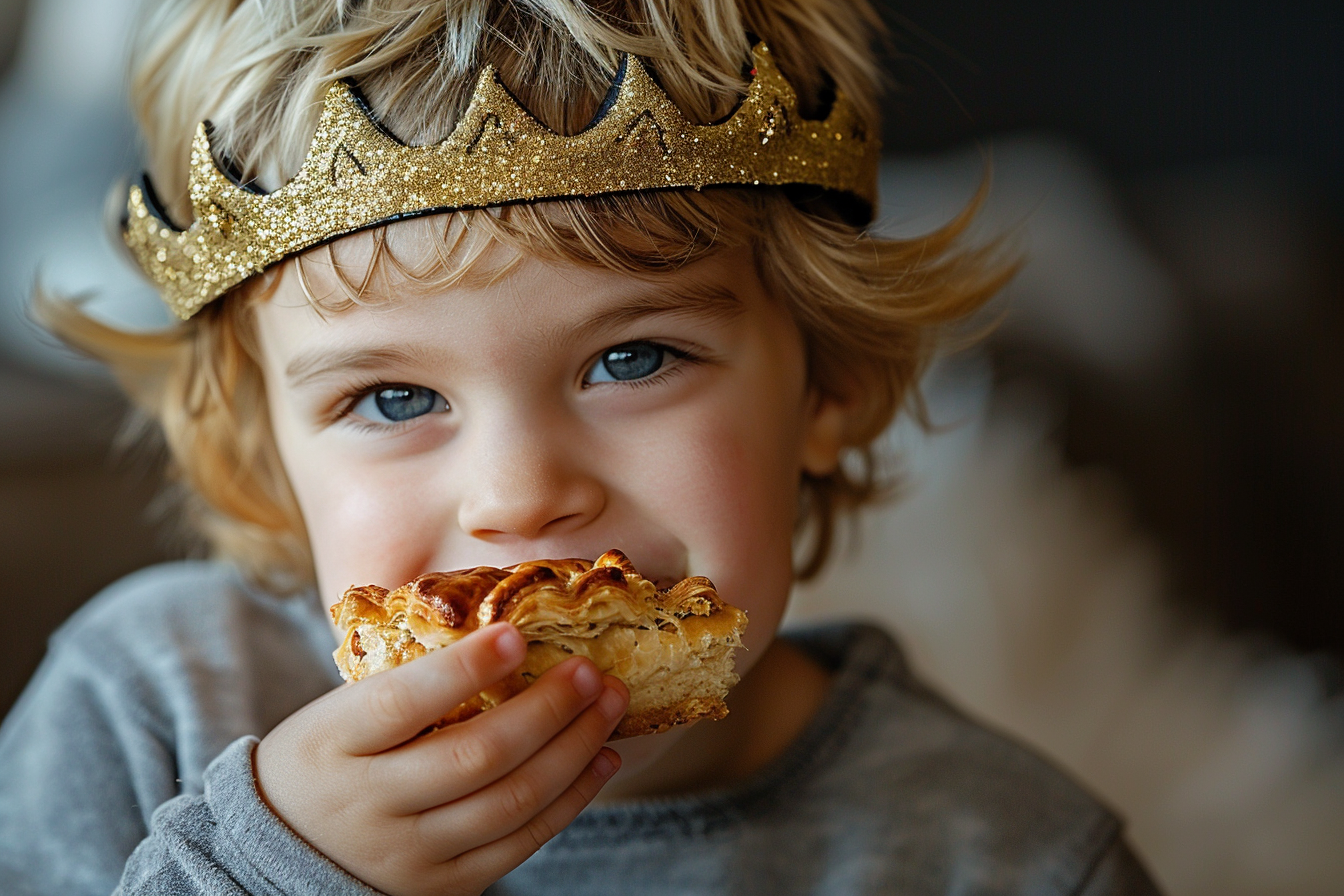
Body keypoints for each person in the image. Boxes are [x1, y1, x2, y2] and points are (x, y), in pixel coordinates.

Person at [0, 0, 1162, 893]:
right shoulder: (144, 712)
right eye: (397, 397)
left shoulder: (1010, 853)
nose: (519, 497)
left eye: (632, 359)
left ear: (830, 380)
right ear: (264, 447)